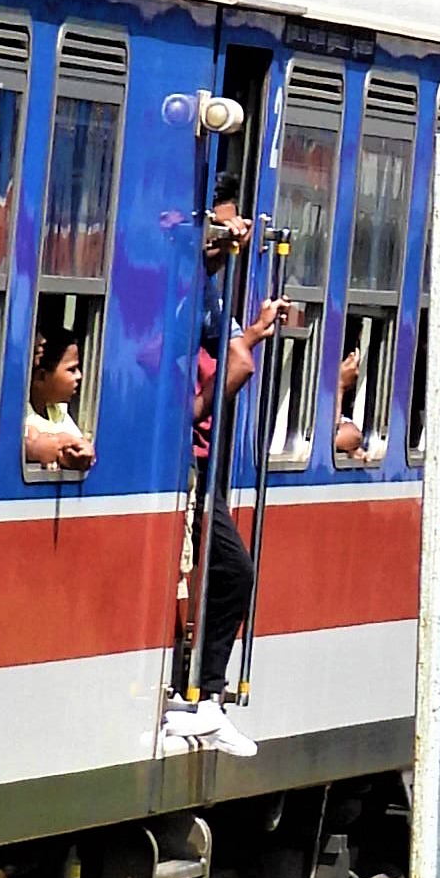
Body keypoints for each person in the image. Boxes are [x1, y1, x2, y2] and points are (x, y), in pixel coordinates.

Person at [171, 181, 285, 758]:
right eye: (219, 232)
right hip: (183, 460)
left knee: (220, 572)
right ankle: (194, 695)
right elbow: (183, 394)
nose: (230, 242)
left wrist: (254, 332)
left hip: (204, 462)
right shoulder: (177, 287)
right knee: (224, 571)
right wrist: (226, 383)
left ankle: (206, 698)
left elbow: (226, 343)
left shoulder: (208, 290)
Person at [25, 326, 94, 472]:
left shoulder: (58, 411)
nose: (79, 376)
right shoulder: (23, 415)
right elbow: (31, 441)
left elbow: (79, 444)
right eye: (71, 369)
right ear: (41, 377)